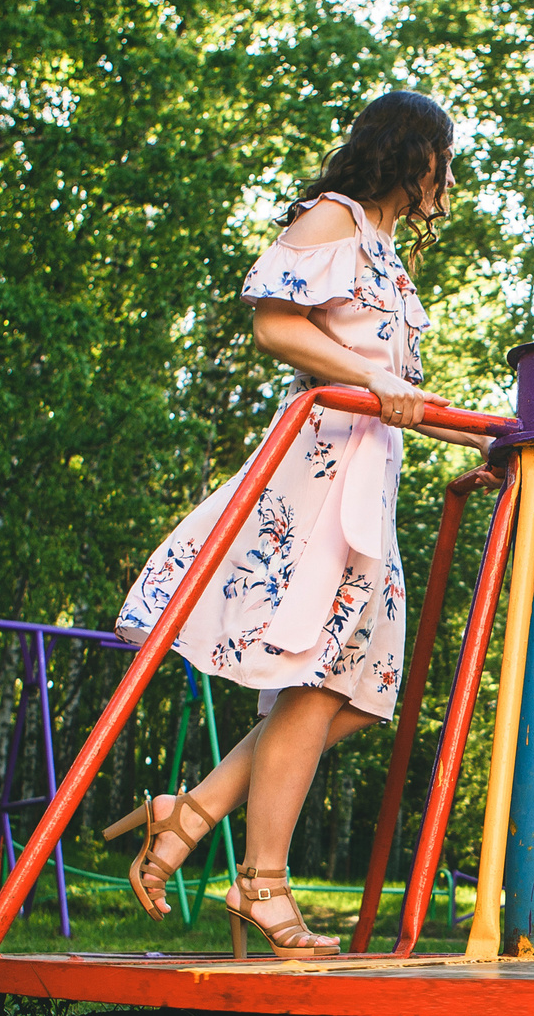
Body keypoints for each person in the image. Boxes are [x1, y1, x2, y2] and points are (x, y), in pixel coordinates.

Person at [108, 91, 488, 960]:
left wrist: (485, 441)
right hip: (318, 481)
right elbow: (276, 324)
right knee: (314, 683)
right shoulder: (334, 218)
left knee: (350, 695)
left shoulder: (389, 256)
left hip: (370, 487)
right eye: (443, 158)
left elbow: (396, 395)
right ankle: (262, 881)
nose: (448, 179)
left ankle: (193, 809)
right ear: (411, 152)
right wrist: (363, 369)